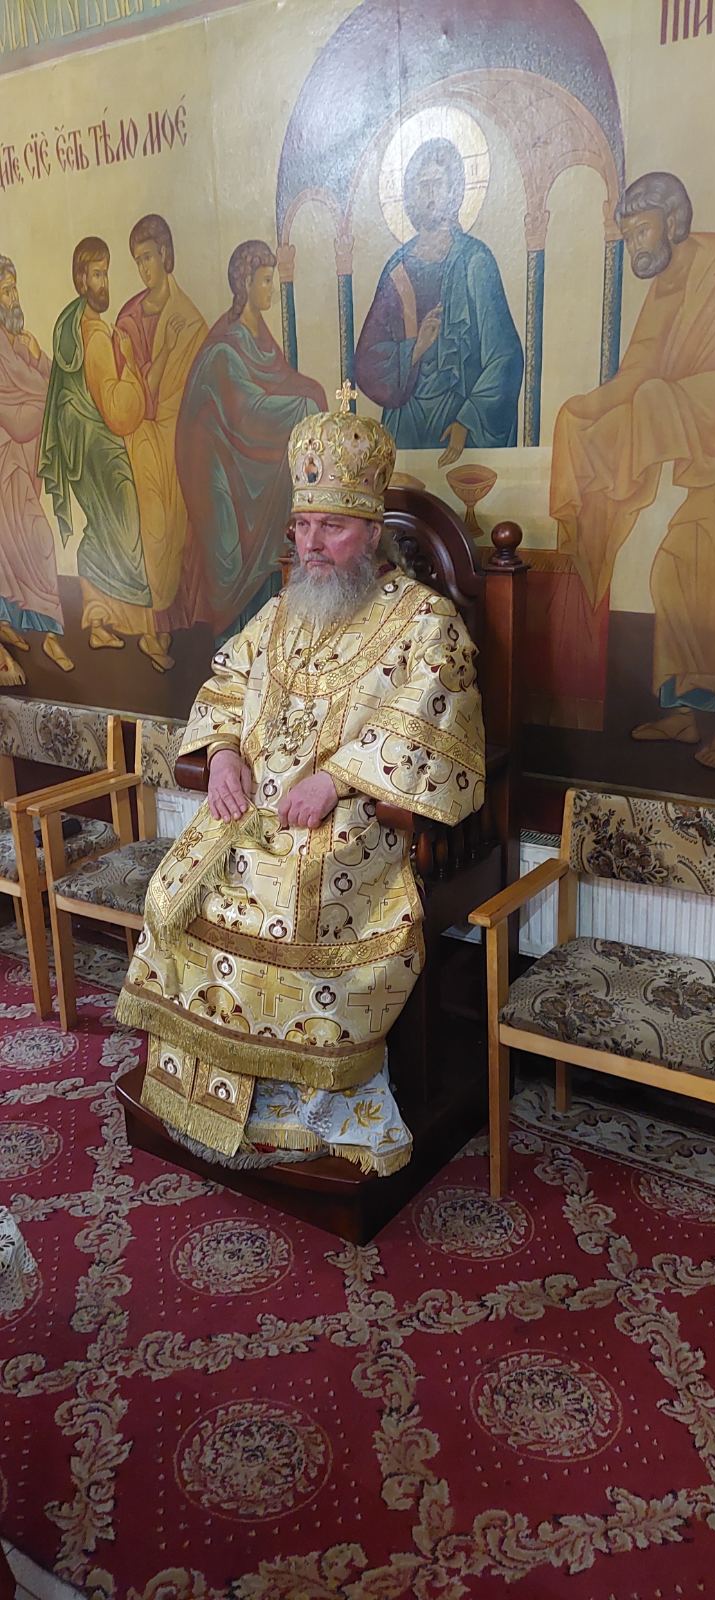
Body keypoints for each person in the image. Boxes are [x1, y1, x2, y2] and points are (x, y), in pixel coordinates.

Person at [116, 387, 485, 1174]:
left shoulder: (425, 620)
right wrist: (221, 754)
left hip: (358, 824)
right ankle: (208, 1092)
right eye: (303, 526)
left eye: (333, 527)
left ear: (372, 532)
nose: (312, 545)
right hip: (251, 810)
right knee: (176, 894)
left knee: (286, 912)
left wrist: (341, 779)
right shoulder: (284, 608)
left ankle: (298, 1101)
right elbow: (225, 685)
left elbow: (437, 721)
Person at [551, 171, 715, 767]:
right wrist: (582, 410)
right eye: (626, 238)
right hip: (707, 465)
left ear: (671, 221)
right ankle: (688, 714)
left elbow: (656, 388)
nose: (635, 246)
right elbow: (637, 372)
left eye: (641, 231)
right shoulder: (665, 287)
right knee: (676, 570)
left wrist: (660, 401)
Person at [176, 239, 326, 639]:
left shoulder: (259, 336)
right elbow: (248, 413)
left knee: (271, 558)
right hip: (219, 473)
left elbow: (282, 380)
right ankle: (231, 654)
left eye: (272, 279)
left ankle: (263, 647)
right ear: (245, 283)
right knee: (230, 566)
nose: (270, 289)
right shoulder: (225, 347)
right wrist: (305, 404)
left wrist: (312, 393)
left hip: (249, 468)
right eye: (264, 280)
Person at [355, 138, 523, 460]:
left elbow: (505, 355)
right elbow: (367, 361)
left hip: (461, 420)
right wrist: (415, 348)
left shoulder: (476, 262)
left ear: (454, 191)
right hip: (405, 421)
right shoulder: (397, 269)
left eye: (437, 184)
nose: (429, 194)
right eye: (421, 186)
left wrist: (469, 418)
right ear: (410, 196)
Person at [38, 237, 156, 660]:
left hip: (79, 448)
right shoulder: (97, 336)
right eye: (97, 274)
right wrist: (132, 366)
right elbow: (119, 412)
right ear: (81, 279)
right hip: (101, 449)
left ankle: (98, 619)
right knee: (124, 527)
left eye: (106, 273)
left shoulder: (70, 326)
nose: (104, 283)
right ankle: (132, 625)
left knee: (102, 527)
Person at [115, 215, 208, 669]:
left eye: (149, 257)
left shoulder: (189, 321)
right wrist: (154, 361)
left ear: (166, 254)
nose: (144, 268)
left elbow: (186, 394)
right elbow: (137, 396)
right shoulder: (129, 318)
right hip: (142, 443)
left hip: (176, 439)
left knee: (178, 530)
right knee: (152, 531)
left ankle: (175, 626)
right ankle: (153, 631)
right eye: (137, 260)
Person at [0, 255, 73, 683]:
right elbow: (18, 417)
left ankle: (31, 628)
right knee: (38, 541)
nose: (14, 298)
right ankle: (49, 634)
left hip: (20, 466)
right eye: (6, 291)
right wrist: (41, 395)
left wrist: (38, 356)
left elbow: (53, 386)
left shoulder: (20, 343)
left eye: (14, 289)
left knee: (19, 548)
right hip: (5, 468)